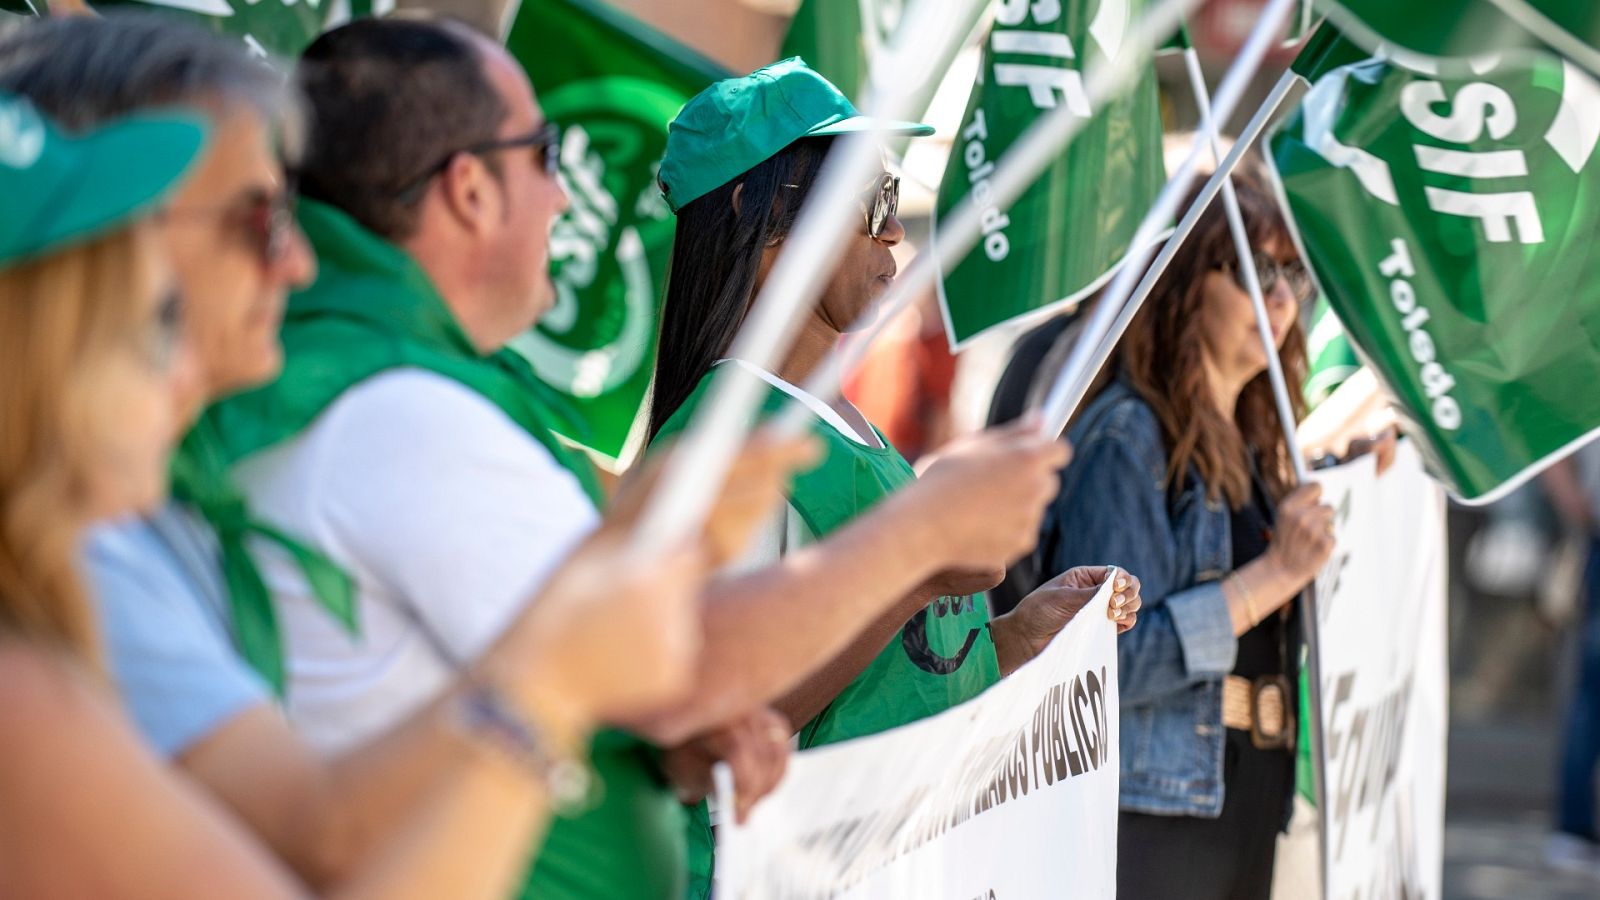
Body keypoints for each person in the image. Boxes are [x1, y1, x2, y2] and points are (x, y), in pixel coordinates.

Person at [183, 17, 1083, 900]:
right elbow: (680, 676)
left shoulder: (419, 396)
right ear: (466, 190)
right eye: (544, 159)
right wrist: (919, 549)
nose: (569, 201)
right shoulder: (405, 415)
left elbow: (658, 697)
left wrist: (1008, 637)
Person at [0, 12, 808, 893]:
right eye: (261, 222)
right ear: (68, 285)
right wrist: (547, 683)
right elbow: (322, 842)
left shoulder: (108, 549)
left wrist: (572, 638)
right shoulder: (45, 637)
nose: (301, 264)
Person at [648, 58, 1141, 897]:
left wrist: (1020, 635)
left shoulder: (845, 425)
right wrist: (916, 572)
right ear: (758, 216)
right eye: (873, 206)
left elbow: (907, 671)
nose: (896, 236)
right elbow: (722, 723)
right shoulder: (724, 443)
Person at [1031, 174, 1335, 899]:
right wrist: (1272, 578)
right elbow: (1108, 660)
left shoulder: (1262, 441)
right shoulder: (1130, 435)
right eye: (1256, 271)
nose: (1283, 298)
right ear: (1185, 282)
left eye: (1292, 272)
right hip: (1157, 807)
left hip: (1248, 794)